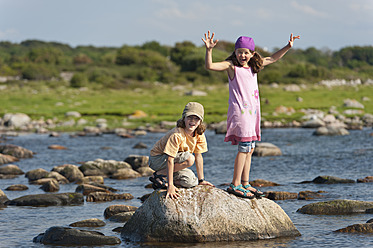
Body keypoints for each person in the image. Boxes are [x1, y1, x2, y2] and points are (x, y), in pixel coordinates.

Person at [202, 31, 300, 199]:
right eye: (239, 52)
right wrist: (209, 50)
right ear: (235, 52)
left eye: (246, 52)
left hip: (253, 113)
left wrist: (288, 46)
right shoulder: (231, 66)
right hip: (240, 113)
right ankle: (235, 184)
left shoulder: (255, 66)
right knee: (244, 148)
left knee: (251, 148)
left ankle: (245, 183)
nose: (242, 55)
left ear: (252, 54)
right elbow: (210, 66)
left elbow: (273, 58)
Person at [149, 102, 214, 199]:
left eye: (196, 118)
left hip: (176, 160)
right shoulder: (177, 134)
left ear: (200, 121)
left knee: (191, 182)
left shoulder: (199, 134)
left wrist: (201, 180)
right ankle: (159, 175)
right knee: (189, 159)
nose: (192, 121)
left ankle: (161, 181)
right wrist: (170, 186)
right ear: (184, 118)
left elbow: (199, 156)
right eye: (189, 117)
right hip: (158, 160)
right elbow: (170, 159)